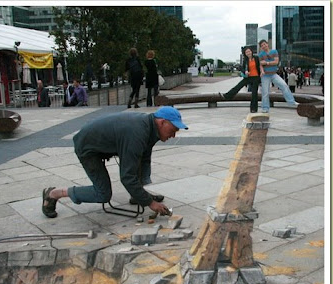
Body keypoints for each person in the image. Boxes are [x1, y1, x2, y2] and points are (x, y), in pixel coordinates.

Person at [41, 106, 188, 218]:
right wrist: (150, 203)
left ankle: (135, 196)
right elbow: (127, 177)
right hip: (88, 148)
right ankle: (54, 193)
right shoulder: (137, 134)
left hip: (100, 143)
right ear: (162, 122)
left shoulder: (149, 127)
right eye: (173, 129)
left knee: (141, 159)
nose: (174, 135)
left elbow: (143, 158)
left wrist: (140, 195)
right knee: (102, 194)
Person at [220, 46, 264, 113]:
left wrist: (262, 72)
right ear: (245, 53)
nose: (248, 53)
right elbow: (243, 68)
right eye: (246, 52)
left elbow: (260, 66)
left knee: (254, 94)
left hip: (256, 77)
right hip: (248, 77)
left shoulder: (256, 58)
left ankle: (254, 109)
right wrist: (245, 72)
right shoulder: (245, 60)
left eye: (249, 51)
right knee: (238, 86)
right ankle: (227, 96)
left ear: (251, 51)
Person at [258, 39, 298, 113]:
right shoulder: (260, 54)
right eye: (262, 45)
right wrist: (262, 71)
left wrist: (266, 63)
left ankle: (291, 102)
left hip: (273, 74)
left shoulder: (274, 51)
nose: (264, 46)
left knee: (284, 85)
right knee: (265, 92)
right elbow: (260, 64)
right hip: (265, 76)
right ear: (261, 47)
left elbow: (276, 62)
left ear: (267, 44)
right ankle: (265, 108)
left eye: (264, 44)